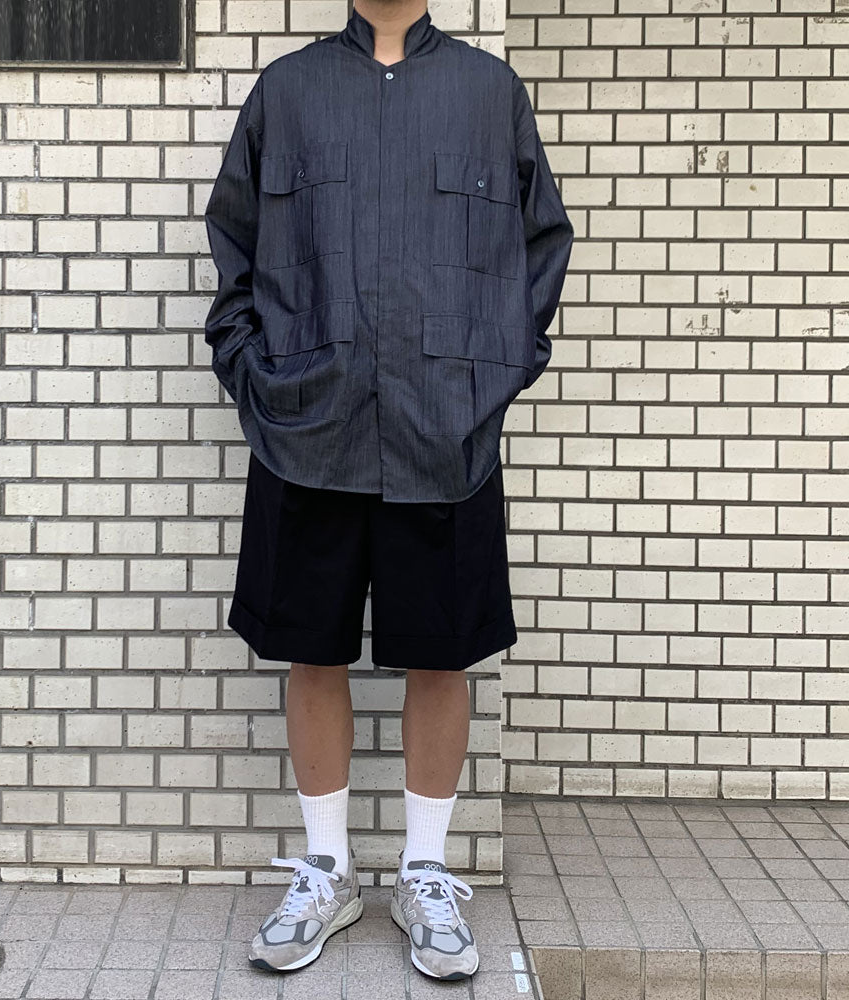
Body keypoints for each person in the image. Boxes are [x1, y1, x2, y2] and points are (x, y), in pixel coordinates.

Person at [203, 0, 573, 982]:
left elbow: (539, 247)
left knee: (440, 656)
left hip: (442, 434)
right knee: (310, 650)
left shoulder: (487, 93)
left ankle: (424, 873)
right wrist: (256, 375)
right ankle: (327, 871)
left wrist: (492, 376)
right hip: (308, 430)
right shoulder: (289, 92)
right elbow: (235, 242)